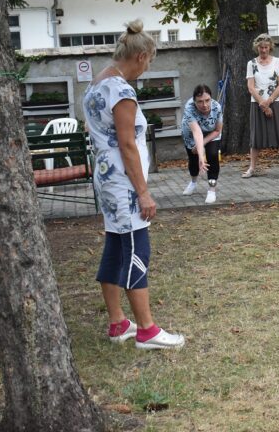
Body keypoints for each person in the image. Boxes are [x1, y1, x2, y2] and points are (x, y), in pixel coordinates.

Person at [82, 19, 185, 350]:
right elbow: (127, 145)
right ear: (141, 56)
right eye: (149, 62)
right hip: (125, 183)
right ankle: (146, 330)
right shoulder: (122, 91)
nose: (146, 69)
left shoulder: (96, 85)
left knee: (115, 246)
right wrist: (144, 192)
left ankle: (118, 323)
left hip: (106, 177)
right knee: (137, 248)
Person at [243, 33, 279, 177]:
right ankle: (252, 168)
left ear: (270, 47)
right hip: (257, 104)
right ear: (257, 47)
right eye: (261, 47)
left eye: (266, 47)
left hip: (276, 102)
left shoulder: (277, 62)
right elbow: (251, 87)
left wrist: (269, 101)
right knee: (256, 138)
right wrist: (263, 104)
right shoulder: (251, 64)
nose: (264, 50)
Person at [181, 84, 223, 204]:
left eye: (207, 100)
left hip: (212, 132)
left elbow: (217, 130)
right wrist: (200, 156)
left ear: (211, 98)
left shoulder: (217, 107)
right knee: (193, 159)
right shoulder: (189, 108)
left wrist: (203, 146)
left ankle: (211, 189)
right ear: (194, 101)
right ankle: (193, 182)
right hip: (191, 133)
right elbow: (197, 133)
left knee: (213, 155)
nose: (204, 105)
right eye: (200, 101)